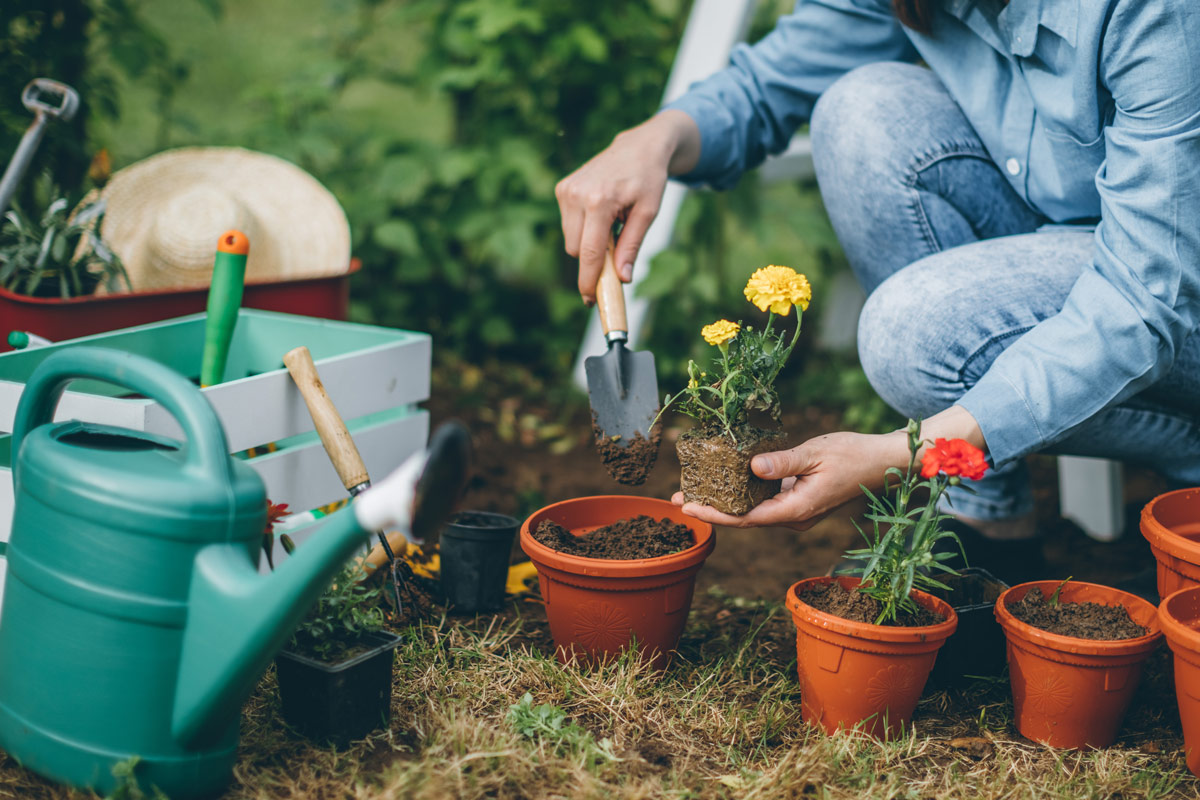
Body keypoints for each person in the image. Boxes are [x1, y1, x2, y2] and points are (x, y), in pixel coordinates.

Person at [554, 0, 1200, 582]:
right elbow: (774, 81)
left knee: (913, 334)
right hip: (1078, 244)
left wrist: (907, 453)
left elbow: (1145, 301)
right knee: (862, 110)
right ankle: (984, 525)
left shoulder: (1155, 13)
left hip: (1168, 293)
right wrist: (655, 140)